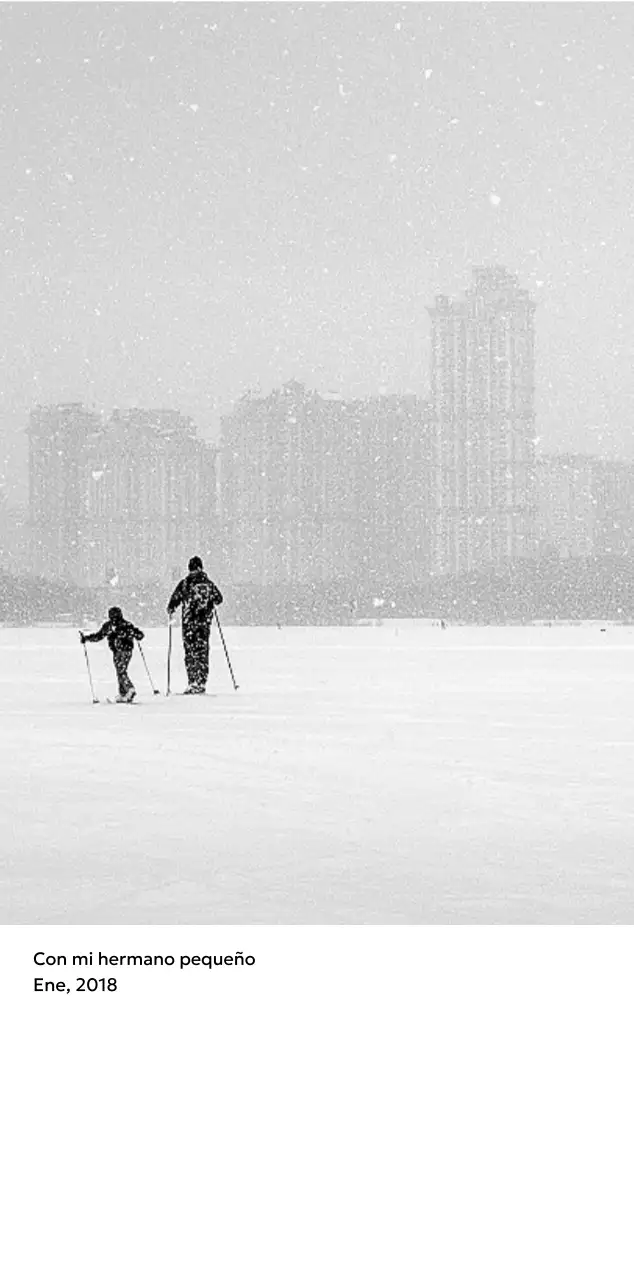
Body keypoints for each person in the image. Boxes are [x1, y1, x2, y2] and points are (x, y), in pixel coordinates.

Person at [167, 556, 223, 694]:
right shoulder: (208, 583)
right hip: (204, 624)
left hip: (189, 624)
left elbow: (174, 601)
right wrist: (209, 603)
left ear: (189, 568)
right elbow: (219, 599)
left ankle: (193, 682)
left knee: (190, 652)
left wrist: (171, 608)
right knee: (202, 653)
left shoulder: (185, 583)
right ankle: (202, 682)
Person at [80, 606, 144, 703]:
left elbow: (99, 636)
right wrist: (87, 638)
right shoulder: (124, 624)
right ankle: (123, 694)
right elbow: (139, 635)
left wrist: (87, 638)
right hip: (121, 651)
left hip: (123, 651)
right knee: (120, 670)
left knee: (121, 671)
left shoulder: (116, 625)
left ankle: (130, 689)